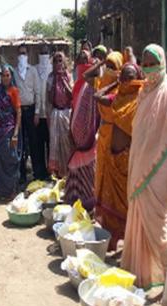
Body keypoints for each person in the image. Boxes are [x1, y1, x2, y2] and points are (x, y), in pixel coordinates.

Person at [121, 44, 167, 289]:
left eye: (153, 63)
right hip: (139, 163)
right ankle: (143, 275)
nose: (149, 68)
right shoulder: (144, 92)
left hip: (159, 169)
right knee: (140, 219)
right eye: (145, 63)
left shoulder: (166, 91)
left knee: (157, 226)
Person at [93, 63, 144, 249]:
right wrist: (114, 83)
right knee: (111, 204)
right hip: (112, 157)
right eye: (123, 76)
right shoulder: (116, 98)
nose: (126, 80)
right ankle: (112, 240)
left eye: (130, 76)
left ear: (137, 77)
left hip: (129, 159)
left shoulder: (140, 99)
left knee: (127, 205)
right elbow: (97, 96)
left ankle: (130, 244)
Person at [90, 52, 124, 227]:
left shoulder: (122, 91)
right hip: (103, 132)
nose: (110, 70)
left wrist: (116, 82)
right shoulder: (102, 83)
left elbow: (100, 98)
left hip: (115, 134)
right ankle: (102, 214)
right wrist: (102, 63)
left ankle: (114, 217)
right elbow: (86, 75)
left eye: (113, 67)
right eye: (108, 67)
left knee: (113, 176)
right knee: (101, 173)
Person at [64, 50, 99, 212]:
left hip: (93, 136)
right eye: (80, 59)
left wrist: (101, 64)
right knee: (74, 167)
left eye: (86, 59)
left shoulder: (99, 84)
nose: (83, 62)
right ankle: (75, 202)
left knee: (89, 171)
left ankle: (89, 205)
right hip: (78, 132)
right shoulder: (81, 83)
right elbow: (74, 106)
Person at [0, 65, 22, 200]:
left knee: (9, 160)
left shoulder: (14, 91)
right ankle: (1, 190)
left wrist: (15, 134)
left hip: (8, 130)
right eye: (3, 75)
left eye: (8, 75)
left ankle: (11, 190)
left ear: (11, 76)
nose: (5, 78)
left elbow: (18, 113)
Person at [14, 44, 42, 182]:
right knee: (21, 144)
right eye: (20, 53)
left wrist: (37, 112)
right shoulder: (14, 72)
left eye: (24, 53)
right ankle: (22, 174)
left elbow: (38, 93)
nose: (22, 56)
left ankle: (37, 173)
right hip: (19, 112)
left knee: (33, 142)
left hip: (31, 111)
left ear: (28, 55)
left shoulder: (33, 71)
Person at [46, 52, 73, 178]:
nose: (58, 63)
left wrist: (63, 80)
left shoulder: (68, 76)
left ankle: (68, 173)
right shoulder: (51, 77)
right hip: (56, 113)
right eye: (56, 61)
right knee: (55, 145)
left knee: (66, 143)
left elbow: (71, 95)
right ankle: (57, 175)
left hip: (66, 113)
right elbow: (50, 99)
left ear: (64, 62)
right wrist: (55, 82)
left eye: (60, 61)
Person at [35, 45, 52, 181]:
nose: (43, 55)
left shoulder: (53, 70)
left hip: (50, 115)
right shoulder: (34, 70)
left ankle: (50, 171)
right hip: (37, 115)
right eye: (41, 52)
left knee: (50, 145)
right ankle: (39, 172)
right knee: (38, 145)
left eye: (46, 52)